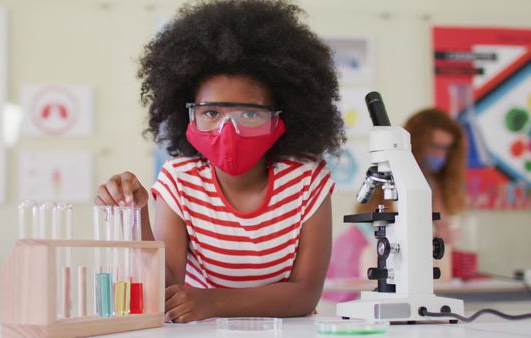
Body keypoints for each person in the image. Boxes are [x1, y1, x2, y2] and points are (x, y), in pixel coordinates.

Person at [95, 0, 345, 323]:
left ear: (281, 118)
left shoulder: (306, 180)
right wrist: (138, 213)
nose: (229, 130)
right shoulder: (179, 181)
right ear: (188, 116)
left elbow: (305, 293)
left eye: (250, 114)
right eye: (211, 113)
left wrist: (212, 302)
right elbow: (166, 287)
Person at [323, 107, 466, 302]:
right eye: (434, 146)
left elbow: (442, 231)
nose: (440, 156)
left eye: (446, 149)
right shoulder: (390, 174)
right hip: (366, 249)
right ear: (417, 143)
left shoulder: (433, 185)